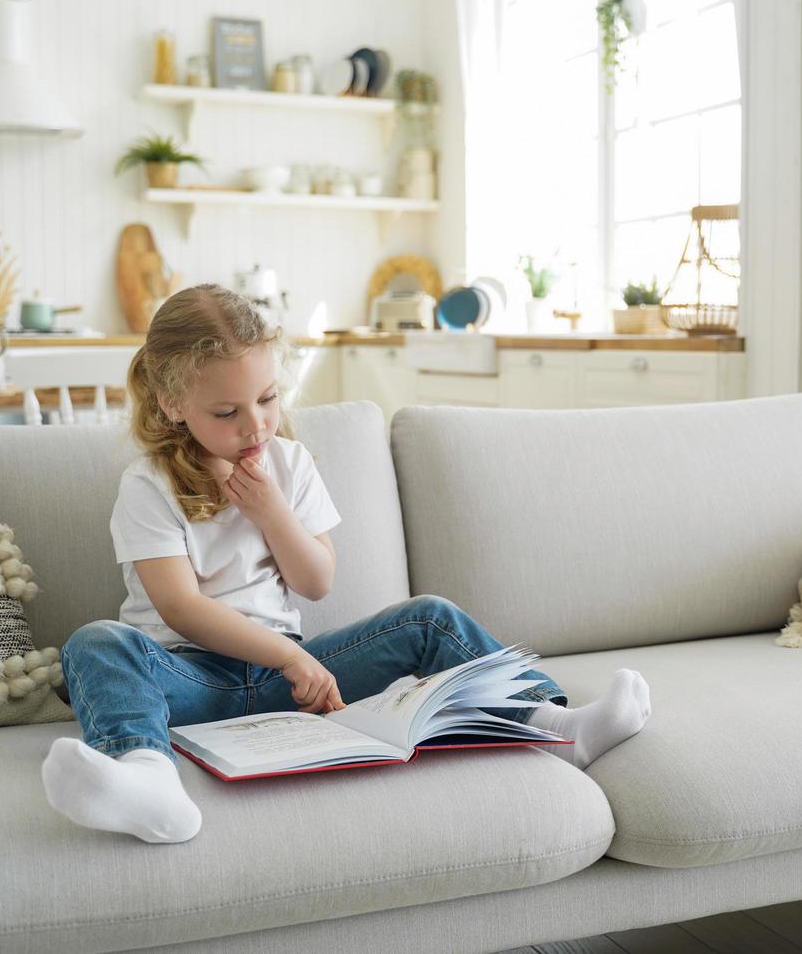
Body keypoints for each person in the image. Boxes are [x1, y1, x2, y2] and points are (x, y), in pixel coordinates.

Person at [40, 285, 651, 844]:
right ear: (174, 404)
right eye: (227, 413)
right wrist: (288, 656)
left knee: (430, 620)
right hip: (188, 679)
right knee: (95, 644)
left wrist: (273, 512)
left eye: (267, 399)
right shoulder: (148, 485)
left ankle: (554, 725)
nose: (254, 424)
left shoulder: (291, 464)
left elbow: (316, 580)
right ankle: (148, 781)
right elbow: (179, 607)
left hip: (293, 681)